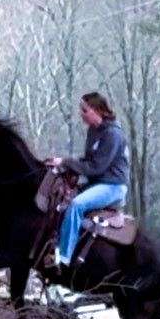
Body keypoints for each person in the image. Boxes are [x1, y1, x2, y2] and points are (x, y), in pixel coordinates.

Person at [47, 92, 130, 267]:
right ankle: (59, 246)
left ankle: (63, 260)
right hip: (97, 183)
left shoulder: (113, 134)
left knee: (77, 205)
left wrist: (66, 162)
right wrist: (64, 165)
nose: (81, 114)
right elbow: (88, 161)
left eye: (84, 110)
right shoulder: (94, 131)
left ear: (97, 110)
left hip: (113, 186)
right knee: (62, 200)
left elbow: (96, 167)